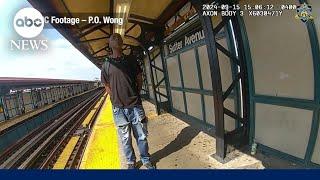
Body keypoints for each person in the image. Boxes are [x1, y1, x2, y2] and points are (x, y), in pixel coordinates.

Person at [101, 33, 155, 169]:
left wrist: (136, 94)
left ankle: (145, 159)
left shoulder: (131, 60)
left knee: (141, 136)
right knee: (125, 138)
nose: (115, 38)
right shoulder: (106, 65)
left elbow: (139, 78)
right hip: (118, 108)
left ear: (122, 43)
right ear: (110, 44)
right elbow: (106, 84)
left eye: (117, 37)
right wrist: (114, 98)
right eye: (112, 37)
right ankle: (131, 162)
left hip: (135, 105)